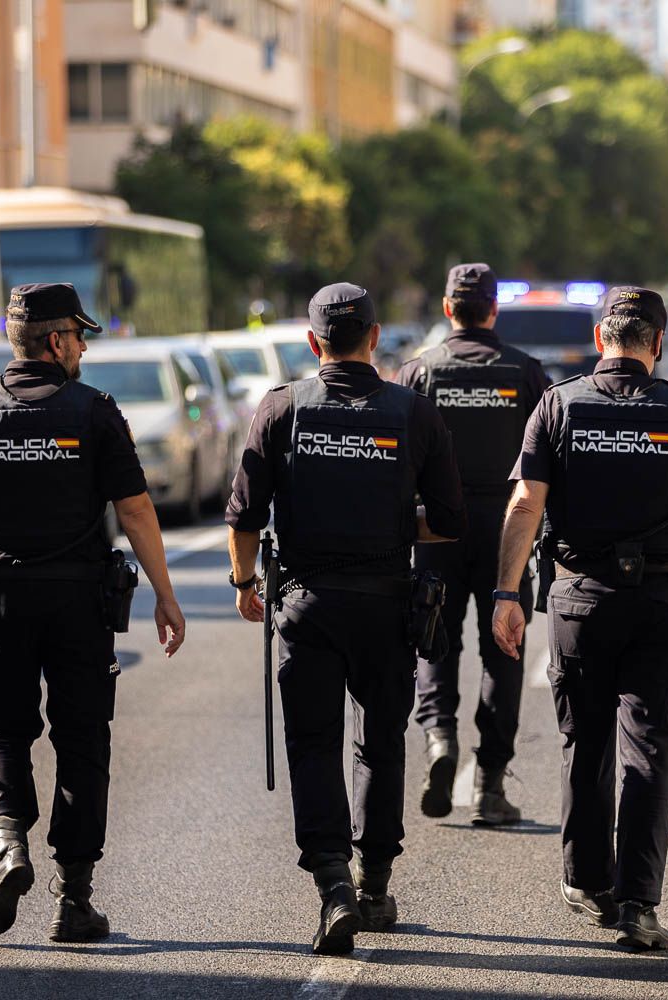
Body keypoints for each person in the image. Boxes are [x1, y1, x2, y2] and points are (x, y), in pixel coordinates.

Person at [491, 285, 668, 951]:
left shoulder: (559, 404)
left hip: (582, 598)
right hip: (663, 602)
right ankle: (639, 907)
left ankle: (587, 883)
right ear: (657, 343)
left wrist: (506, 594)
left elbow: (525, 504)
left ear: (600, 339)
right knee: (649, 747)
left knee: (586, 742)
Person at [0, 282, 186, 943]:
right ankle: (74, 900)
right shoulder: (94, 412)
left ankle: (7, 844)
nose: (84, 350)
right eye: (80, 337)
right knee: (82, 739)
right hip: (78, 602)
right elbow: (135, 511)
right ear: (56, 340)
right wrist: (165, 594)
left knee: (1, 732)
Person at [226, 282, 465, 955]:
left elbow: (244, 516)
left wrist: (243, 582)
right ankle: (375, 884)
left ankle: (333, 884)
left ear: (313, 342)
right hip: (387, 604)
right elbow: (450, 521)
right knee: (380, 743)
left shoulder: (281, 408)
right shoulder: (413, 412)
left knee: (312, 744)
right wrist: (395, 522)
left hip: (306, 604)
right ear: (375, 336)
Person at [395, 263, 550, 826]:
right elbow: (548, 460)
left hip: (435, 529)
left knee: (434, 641)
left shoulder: (418, 372)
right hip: (507, 530)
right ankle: (489, 785)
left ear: (447, 309)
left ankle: (440, 739)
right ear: (493, 309)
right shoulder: (525, 373)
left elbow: (396, 456)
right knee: (504, 649)